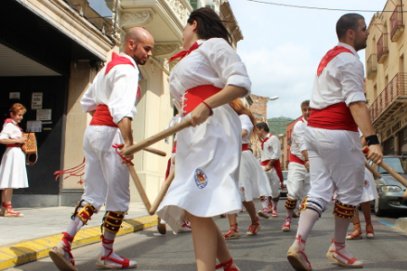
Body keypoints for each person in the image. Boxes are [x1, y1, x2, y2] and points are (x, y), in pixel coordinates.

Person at [49, 27, 154, 271]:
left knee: (93, 194)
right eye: (146, 48)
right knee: (119, 200)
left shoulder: (108, 68)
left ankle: (65, 242)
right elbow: (122, 111)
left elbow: (88, 103)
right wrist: (128, 144)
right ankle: (106, 254)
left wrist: (105, 124)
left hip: (94, 132)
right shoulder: (128, 70)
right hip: (112, 135)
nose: (149, 54)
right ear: (131, 44)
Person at [156, 7, 250, 271]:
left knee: (197, 202)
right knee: (197, 203)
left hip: (213, 130)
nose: (182, 33)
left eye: (184, 27)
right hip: (191, 134)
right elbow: (183, 104)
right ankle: (228, 266)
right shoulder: (188, 58)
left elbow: (241, 83)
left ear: (194, 24)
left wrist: (207, 105)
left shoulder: (215, 45)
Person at [286, 13, 383, 270]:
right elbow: (356, 101)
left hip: (316, 132)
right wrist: (372, 139)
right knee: (350, 192)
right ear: (351, 33)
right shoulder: (349, 60)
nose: (366, 33)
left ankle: (299, 244)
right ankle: (338, 248)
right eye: (364, 29)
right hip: (337, 131)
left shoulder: (329, 57)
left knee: (319, 189)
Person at [223, 98, 268, 239]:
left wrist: (228, 137)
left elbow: (244, 131)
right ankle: (233, 228)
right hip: (229, 157)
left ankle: (255, 221)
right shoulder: (226, 121)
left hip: (242, 156)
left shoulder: (243, 118)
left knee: (244, 194)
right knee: (228, 191)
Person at [282, 100, 310, 232]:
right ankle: (287, 219)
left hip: (312, 164)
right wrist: (308, 160)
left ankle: (302, 222)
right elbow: (302, 145)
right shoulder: (299, 126)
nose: (307, 112)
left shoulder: (319, 125)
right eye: (304, 110)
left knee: (307, 196)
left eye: (310, 109)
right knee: (293, 192)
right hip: (298, 162)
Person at [0, 103, 28, 217]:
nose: (20, 117)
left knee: (10, 181)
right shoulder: (9, 125)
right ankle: (7, 208)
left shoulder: (14, 126)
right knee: (8, 180)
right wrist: (19, 141)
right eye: (18, 115)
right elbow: (1, 139)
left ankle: (5, 207)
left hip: (15, 154)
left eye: (22, 115)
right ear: (12, 114)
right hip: (12, 153)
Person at [347, 137, 378, 240]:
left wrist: (356, 149)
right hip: (346, 166)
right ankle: (357, 228)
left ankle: (369, 225)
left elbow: (365, 137)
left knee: (365, 198)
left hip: (360, 165)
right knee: (349, 199)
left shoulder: (359, 125)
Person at [254, 122, 283, 218]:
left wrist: (270, 164)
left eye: (257, 130)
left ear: (262, 129)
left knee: (274, 190)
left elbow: (276, 153)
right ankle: (265, 208)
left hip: (272, 166)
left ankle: (274, 208)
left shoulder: (273, 138)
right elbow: (261, 156)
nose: (256, 132)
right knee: (262, 187)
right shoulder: (262, 141)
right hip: (263, 166)